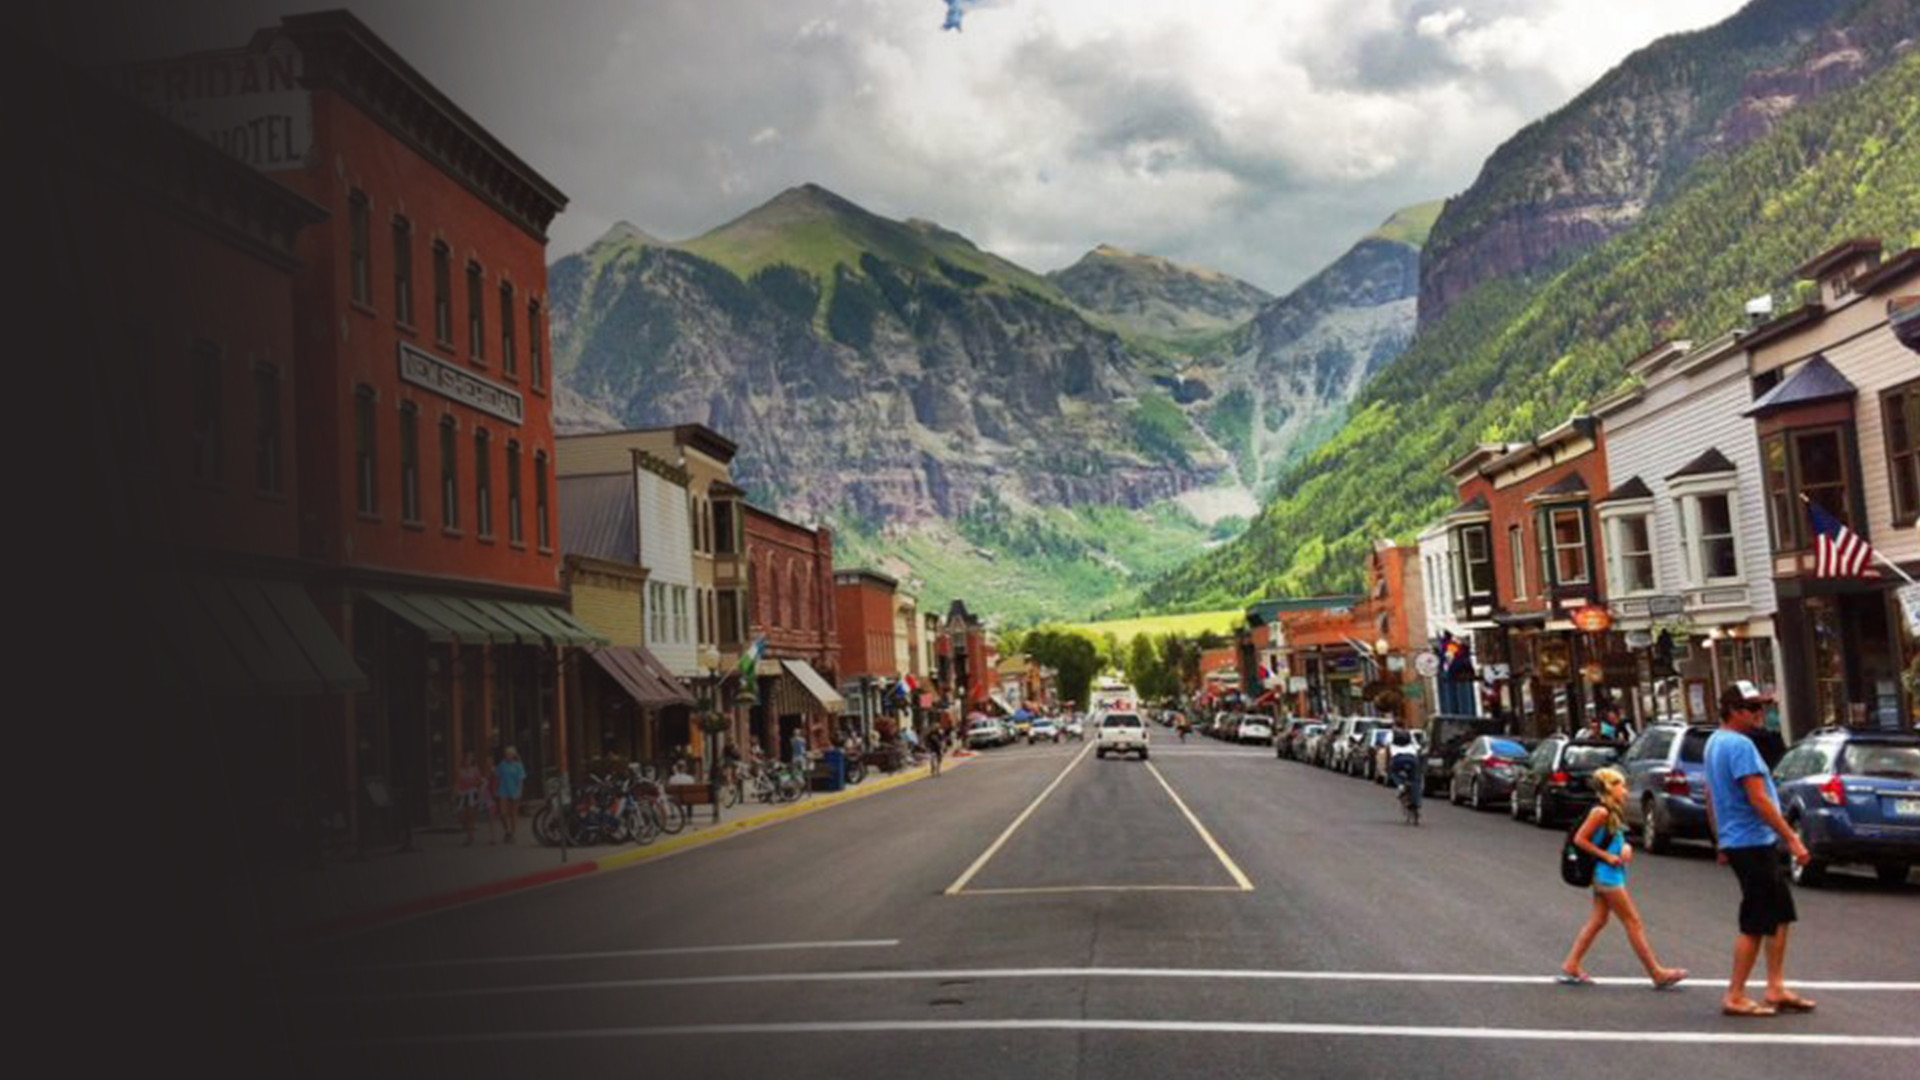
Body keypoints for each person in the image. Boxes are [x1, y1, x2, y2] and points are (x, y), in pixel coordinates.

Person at [1704, 681, 1815, 1018]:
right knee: (1756, 920)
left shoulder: (1715, 742)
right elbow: (1760, 800)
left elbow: (1711, 796)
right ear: (1735, 712)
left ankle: (1775, 986)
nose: (1761, 713)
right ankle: (1735, 995)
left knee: (1780, 913)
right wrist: (1793, 839)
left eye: (1763, 706)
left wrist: (1720, 838)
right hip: (1751, 841)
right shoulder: (1740, 745)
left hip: (1743, 840)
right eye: (1754, 708)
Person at [1557, 766, 1689, 989]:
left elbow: (1614, 838)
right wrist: (1607, 856)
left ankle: (1572, 964)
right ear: (1610, 787)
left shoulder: (1612, 810)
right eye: (1621, 785)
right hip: (1606, 875)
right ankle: (1656, 972)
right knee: (1633, 921)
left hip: (1611, 873)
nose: (1625, 791)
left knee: (1598, 921)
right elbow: (1581, 839)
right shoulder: (1601, 812)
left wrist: (1624, 847)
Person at [1386, 724, 1423, 817]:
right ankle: (1416, 803)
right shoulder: (1410, 734)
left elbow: (1387, 749)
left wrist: (1388, 765)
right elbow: (1418, 748)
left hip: (1398, 759)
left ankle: (1401, 786)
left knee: (1393, 773)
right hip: (1412, 759)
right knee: (1416, 781)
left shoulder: (1390, 734)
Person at [494, 746, 526, 844]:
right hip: (503, 790)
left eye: (509, 754)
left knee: (513, 813)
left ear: (513, 755)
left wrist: (520, 791)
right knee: (503, 813)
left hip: (514, 791)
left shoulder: (518, 765)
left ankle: (512, 833)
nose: (507, 756)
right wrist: (495, 789)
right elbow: (497, 777)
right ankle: (507, 830)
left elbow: (520, 780)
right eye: (506, 754)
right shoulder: (502, 765)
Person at [454, 751, 486, 847]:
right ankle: (467, 828)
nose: (467, 761)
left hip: (472, 793)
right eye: (466, 759)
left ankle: (470, 836)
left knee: (470, 815)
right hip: (463, 794)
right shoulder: (460, 770)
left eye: (469, 759)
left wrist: (476, 784)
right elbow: (457, 782)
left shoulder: (475, 770)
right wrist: (454, 793)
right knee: (461, 815)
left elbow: (480, 781)